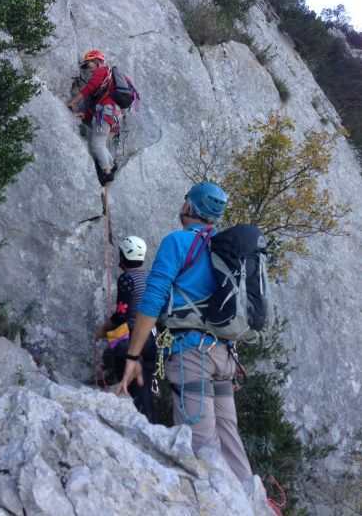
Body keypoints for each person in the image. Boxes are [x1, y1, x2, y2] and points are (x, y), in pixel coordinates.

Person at [116, 182, 252, 483]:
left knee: (201, 448)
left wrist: (133, 355)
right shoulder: (225, 249)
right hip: (224, 356)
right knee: (229, 439)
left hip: (193, 357)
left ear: (190, 207)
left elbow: (151, 302)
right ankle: (249, 501)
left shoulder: (178, 242)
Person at [96, 235, 157, 423]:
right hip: (150, 338)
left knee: (133, 390)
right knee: (145, 388)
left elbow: (121, 315)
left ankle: (140, 427)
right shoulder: (149, 278)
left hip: (131, 340)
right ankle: (153, 424)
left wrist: (101, 331)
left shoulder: (126, 279)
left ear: (123, 256)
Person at [68, 50, 121, 186]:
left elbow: (88, 89)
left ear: (97, 61)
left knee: (96, 144)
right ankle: (112, 165)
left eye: (89, 64)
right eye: (86, 66)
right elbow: (97, 98)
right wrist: (86, 114)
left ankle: (107, 172)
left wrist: (74, 102)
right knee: (100, 143)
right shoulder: (107, 76)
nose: (89, 68)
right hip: (108, 113)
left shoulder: (101, 71)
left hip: (104, 113)